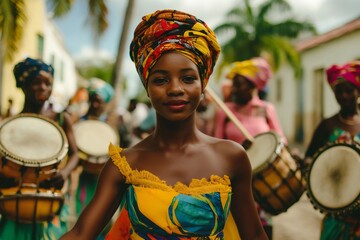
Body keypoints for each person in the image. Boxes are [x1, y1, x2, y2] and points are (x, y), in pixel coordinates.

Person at [61, 9, 268, 240]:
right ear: (147, 88)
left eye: (188, 79)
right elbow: (80, 234)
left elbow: (254, 235)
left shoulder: (231, 157)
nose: (175, 89)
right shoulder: (125, 165)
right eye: (160, 80)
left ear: (203, 84)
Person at [0, 57, 79, 239]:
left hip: (49, 201)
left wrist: (64, 173)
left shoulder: (60, 119)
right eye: (37, 82)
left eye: (48, 83)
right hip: (15, 204)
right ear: (23, 85)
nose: (43, 88)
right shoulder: (9, 126)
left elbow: (75, 155)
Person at [213, 57, 287, 239]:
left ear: (254, 86)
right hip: (234, 181)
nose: (235, 90)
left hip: (262, 181)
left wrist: (261, 145)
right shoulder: (225, 111)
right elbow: (215, 144)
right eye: (234, 85)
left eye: (240, 85)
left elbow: (281, 140)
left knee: (263, 229)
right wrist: (236, 149)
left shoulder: (266, 110)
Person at [304, 60, 360, 240]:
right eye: (339, 91)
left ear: (358, 91)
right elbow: (309, 160)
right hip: (337, 218)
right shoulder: (327, 126)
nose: (344, 96)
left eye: (349, 90)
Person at [74, 77, 115, 239]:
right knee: (81, 215)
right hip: (83, 178)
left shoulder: (109, 127)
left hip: (103, 180)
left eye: (99, 101)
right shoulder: (79, 124)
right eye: (92, 100)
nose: (95, 105)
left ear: (105, 103)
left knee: (102, 219)